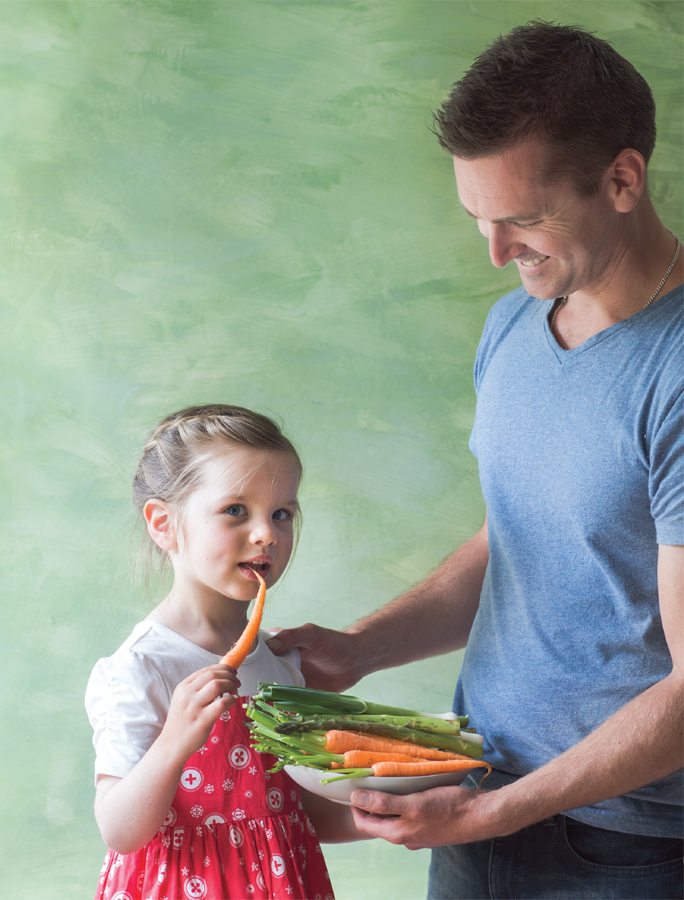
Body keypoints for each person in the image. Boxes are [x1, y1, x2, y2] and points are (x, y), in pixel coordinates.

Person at [267, 22, 684, 899]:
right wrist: (360, 649)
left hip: (625, 847)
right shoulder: (512, 327)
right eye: (480, 221)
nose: (496, 254)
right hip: (473, 785)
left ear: (621, 178)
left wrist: (491, 815)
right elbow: (525, 539)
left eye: (523, 219)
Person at [85, 404, 364, 900]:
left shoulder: (280, 660)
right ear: (163, 524)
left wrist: (385, 820)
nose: (267, 534)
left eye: (282, 514)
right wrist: (174, 742)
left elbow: (295, 808)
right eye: (236, 510)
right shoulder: (142, 668)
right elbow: (120, 829)